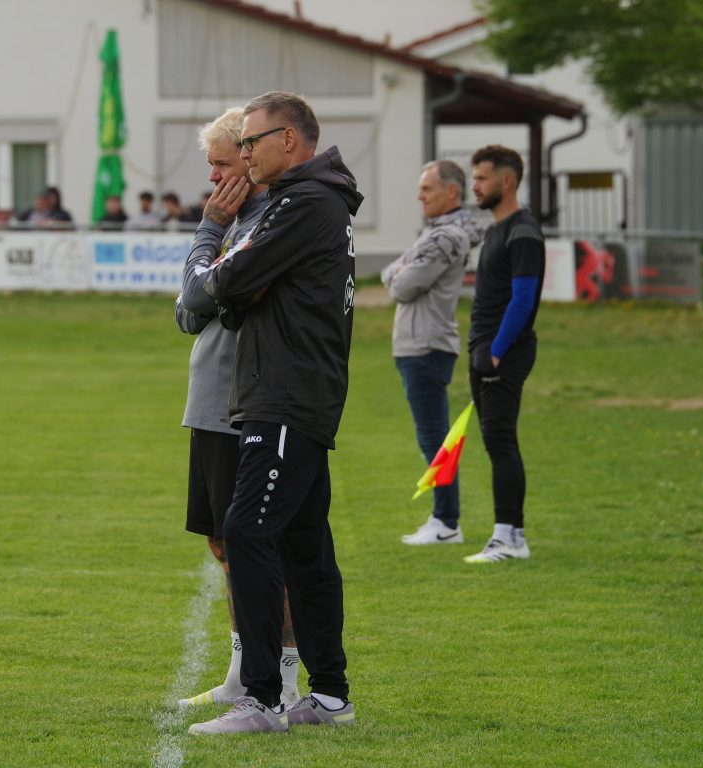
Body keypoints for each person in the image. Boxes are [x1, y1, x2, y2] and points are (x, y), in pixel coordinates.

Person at [188, 91, 363, 735]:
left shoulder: (305, 203)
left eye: (252, 141)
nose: (245, 153)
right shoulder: (313, 200)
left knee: (247, 532)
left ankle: (261, 699)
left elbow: (222, 284)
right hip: (295, 394)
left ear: (288, 139)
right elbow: (232, 292)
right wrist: (231, 287)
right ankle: (331, 697)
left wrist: (216, 265)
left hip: (285, 395)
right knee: (305, 544)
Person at [173, 107, 300, 710]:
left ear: (251, 160)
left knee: (256, 547)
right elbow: (187, 311)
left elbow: (204, 295)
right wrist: (205, 278)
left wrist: (207, 236)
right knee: (223, 545)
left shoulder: (261, 225)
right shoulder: (231, 223)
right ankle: (241, 668)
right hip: (208, 403)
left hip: (242, 403)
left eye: (222, 163)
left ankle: (284, 672)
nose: (215, 177)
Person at [381, 160, 483, 546]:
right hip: (420, 345)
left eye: (427, 188)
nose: (418, 196)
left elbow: (401, 286)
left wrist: (400, 271)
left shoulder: (446, 237)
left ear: (451, 192)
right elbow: (393, 271)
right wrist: (400, 271)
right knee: (434, 437)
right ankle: (444, 518)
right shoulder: (438, 232)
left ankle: (446, 521)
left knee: (434, 439)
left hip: (427, 345)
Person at [464, 145, 544, 564]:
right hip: (483, 350)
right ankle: (510, 534)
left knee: (500, 440)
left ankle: (509, 537)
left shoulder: (523, 231)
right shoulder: (497, 229)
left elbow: (523, 300)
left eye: (482, 178)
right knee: (496, 440)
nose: (474, 186)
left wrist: (496, 352)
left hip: (502, 353)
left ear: (507, 182)